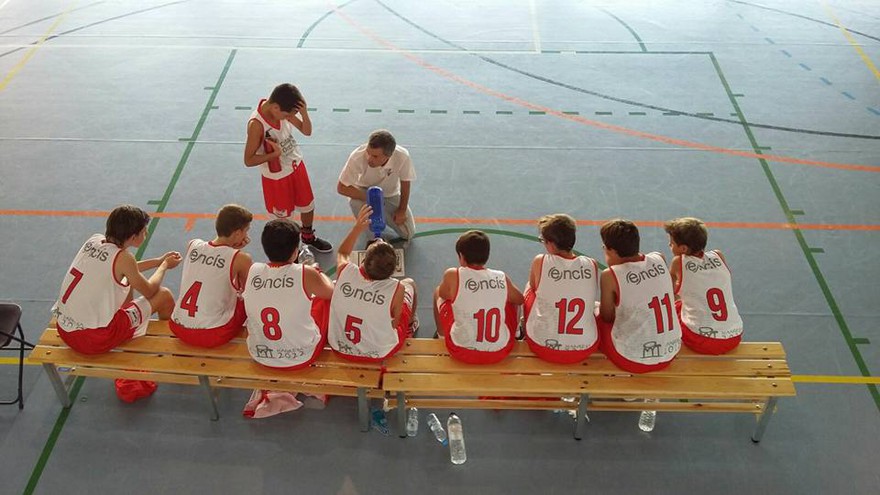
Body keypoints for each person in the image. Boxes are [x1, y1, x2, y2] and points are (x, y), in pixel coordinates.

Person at [52, 205, 181, 354]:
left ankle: (130, 322)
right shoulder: (124, 258)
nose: (147, 232)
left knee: (126, 281)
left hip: (65, 329)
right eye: (144, 231)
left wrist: (158, 261)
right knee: (164, 296)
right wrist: (164, 266)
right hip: (94, 339)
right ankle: (174, 350)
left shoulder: (94, 241)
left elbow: (121, 270)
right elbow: (150, 291)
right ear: (134, 237)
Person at [243, 83, 332, 255]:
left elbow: (307, 131)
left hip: (296, 165)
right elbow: (248, 160)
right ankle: (292, 252)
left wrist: (304, 113)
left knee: (307, 205)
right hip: (276, 177)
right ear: (276, 107)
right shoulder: (256, 125)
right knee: (284, 220)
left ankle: (307, 236)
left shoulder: (282, 109)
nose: (289, 118)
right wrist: (273, 154)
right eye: (288, 115)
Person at [328, 205, 418, 363]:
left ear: (363, 260)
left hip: (340, 347)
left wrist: (357, 228)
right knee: (410, 283)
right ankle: (410, 325)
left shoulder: (346, 272)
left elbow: (342, 253)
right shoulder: (397, 288)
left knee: (333, 288)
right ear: (393, 271)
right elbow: (394, 323)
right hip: (379, 352)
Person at [242, 218, 334, 370]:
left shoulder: (253, 270)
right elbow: (331, 292)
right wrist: (317, 270)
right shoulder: (305, 272)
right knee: (323, 300)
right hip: (301, 356)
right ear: (295, 251)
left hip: (259, 354)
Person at [598, 220, 681, 373]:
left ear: (611, 251)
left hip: (633, 360)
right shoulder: (659, 258)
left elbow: (607, 317)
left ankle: (610, 377)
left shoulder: (610, 275)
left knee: (594, 320)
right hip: (671, 352)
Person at [169, 204, 253, 347]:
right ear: (238, 233)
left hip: (178, 326)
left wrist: (231, 249)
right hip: (212, 334)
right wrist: (234, 252)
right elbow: (248, 292)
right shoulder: (241, 259)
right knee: (249, 297)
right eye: (246, 231)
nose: (246, 235)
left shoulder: (193, 245)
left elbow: (215, 258)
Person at [435, 230, 524, 364]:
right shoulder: (500, 277)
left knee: (437, 292)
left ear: (461, 256)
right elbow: (520, 299)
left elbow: (443, 294)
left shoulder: (453, 275)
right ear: (487, 256)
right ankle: (517, 332)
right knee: (511, 301)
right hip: (499, 351)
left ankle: (441, 335)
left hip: (460, 350)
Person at [523, 214, 600, 363]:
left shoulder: (541, 261)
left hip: (543, 346)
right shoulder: (591, 264)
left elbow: (533, 287)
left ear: (551, 244)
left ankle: (523, 328)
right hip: (584, 348)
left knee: (530, 289)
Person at [664, 217, 743, 354]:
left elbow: (668, 294)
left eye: (671, 244)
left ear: (683, 248)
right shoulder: (718, 255)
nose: (669, 246)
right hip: (734, 336)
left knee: (672, 309)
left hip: (701, 340)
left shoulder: (678, 262)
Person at [337, 129, 416, 246]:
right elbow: (341, 188)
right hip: (364, 191)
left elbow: (405, 182)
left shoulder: (402, 156)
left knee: (408, 234)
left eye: (375, 156)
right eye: (368, 152)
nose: (369, 158)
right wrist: (373, 199)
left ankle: (380, 217)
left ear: (388, 156)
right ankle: (372, 237)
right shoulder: (357, 157)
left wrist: (402, 210)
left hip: (390, 195)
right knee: (355, 203)